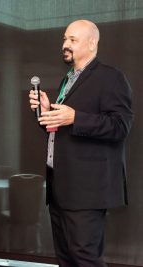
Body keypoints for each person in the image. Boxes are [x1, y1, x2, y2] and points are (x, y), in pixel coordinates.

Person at [29, 20, 133, 267]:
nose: (65, 45)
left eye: (73, 40)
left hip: (87, 190)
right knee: (66, 259)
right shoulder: (68, 79)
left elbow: (121, 127)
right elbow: (60, 131)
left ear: (92, 43)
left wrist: (76, 117)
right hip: (60, 186)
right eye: (65, 39)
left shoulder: (111, 77)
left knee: (85, 259)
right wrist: (47, 113)